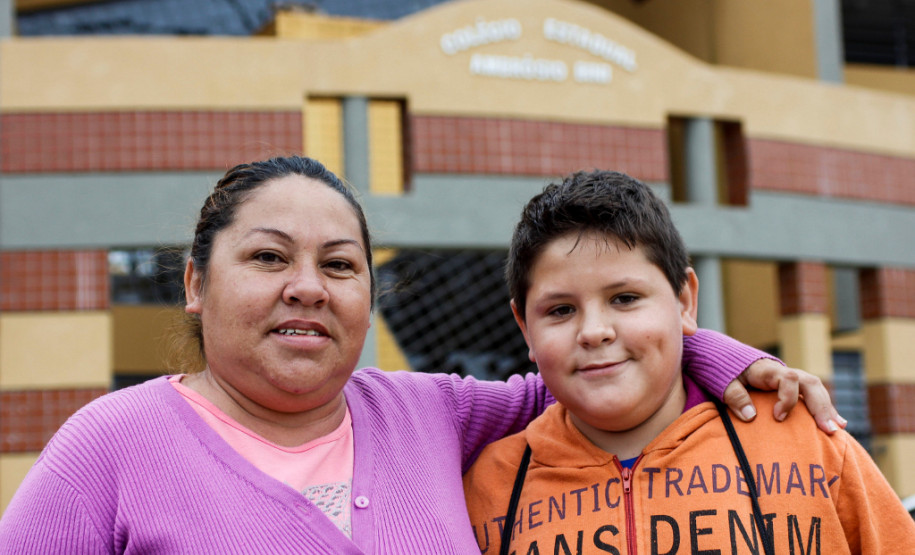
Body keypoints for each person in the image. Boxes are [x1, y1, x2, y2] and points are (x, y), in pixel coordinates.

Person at [0, 156, 842, 554]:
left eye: (339, 265)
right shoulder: (105, 449)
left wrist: (723, 357)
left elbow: (589, 366)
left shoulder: (431, 414)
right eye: (267, 258)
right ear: (193, 282)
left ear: (369, 294)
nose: (307, 287)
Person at [463, 170, 915, 555]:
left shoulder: (809, 444)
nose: (594, 331)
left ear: (684, 301)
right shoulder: (489, 490)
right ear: (524, 327)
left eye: (625, 298)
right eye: (561, 310)